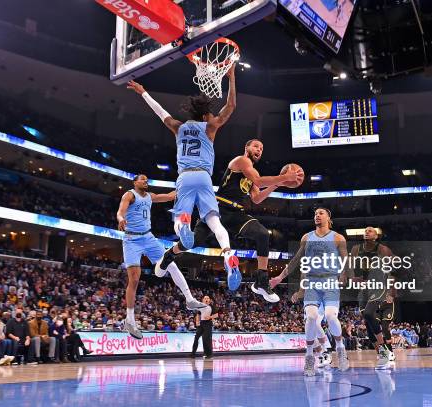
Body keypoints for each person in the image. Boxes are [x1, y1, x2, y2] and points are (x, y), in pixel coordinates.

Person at [128, 66, 242, 290]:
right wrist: (231, 77)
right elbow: (231, 106)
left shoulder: (178, 127)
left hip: (185, 177)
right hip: (205, 178)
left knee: (181, 216)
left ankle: (182, 224)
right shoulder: (211, 126)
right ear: (204, 115)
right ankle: (228, 255)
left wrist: (143, 92)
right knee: (214, 221)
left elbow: (160, 112)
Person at [159, 139, 303, 303]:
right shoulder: (241, 161)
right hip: (218, 209)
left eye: (262, 148)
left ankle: (261, 281)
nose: (259, 150)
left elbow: (256, 198)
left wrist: (277, 184)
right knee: (192, 243)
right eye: (256, 146)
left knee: (263, 234)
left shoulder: (252, 171)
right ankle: (169, 254)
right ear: (246, 147)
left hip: (236, 213)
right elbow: (259, 181)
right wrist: (283, 177)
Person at [116, 174, 206, 340]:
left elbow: (170, 196)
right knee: (135, 279)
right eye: (142, 179)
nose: (145, 181)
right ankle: (129, 319)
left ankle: (190, 299)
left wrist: (186, 186)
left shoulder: (150, 197)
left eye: (147, 179)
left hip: (148, 237)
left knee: (171, 264)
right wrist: (121, 218)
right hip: (131, 239)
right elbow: (120, 211)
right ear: (135, 182)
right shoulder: (129, 194)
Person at [271, 208, 350, 376]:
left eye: (321, 213)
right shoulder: (307, 238)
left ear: (329, 217)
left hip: (330, 280)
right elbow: (295, 261)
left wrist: (344, 274)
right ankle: (309, 356)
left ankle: (341, 349)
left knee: (330, 316)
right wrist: (280, 277)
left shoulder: (338, 238)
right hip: (312, 282)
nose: (317, 215)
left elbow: (346, 261)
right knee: (312, 317)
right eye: (315, 213)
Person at [350, 226, 395, 369]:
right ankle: (381, 355)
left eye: (370, 231)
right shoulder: (356, 249)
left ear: (376, 236)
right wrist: (352, 278)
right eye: (365, 230)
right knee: (368, 322)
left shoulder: (383, 250)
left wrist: (390, 291)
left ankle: (384, 350)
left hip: (378, 286)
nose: (367, 232)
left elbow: (391, 272)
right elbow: (348, 267)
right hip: (364, 288)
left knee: (369, 313)